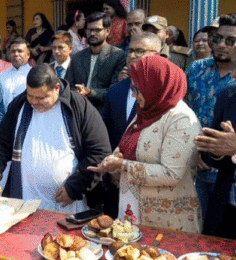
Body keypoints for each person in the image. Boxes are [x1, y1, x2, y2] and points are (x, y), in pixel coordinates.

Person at [89, 55, 202, 233]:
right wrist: (112, 162)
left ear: (156, 86)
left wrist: (123, 165)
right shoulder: (149, 110)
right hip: (133, 209)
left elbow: (171, 173)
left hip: (166, 221)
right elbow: (128, 145)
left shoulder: (181, 119)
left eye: (138, 89)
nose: (133, 95)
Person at [0, 64, 112, 213]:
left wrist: (74, 188)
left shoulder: (78, 107)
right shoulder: (19, 105)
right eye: (30, 96)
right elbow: (2, 144)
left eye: (41, 97)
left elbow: (100, 153)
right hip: (24, 199)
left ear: (56, 88)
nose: (34, 102)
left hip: (67, 204)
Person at [185, 13, 236, 220]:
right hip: (196, 165)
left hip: (229, 176)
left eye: (230, 40)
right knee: (200, 231)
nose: (222, 45)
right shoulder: (196, 69)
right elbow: (182, 110)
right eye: (217, 38)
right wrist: (194, 151)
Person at [194, 47, 236, 240]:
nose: (233, 73)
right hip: (226, 202)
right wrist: (217, 150)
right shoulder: (227, 95)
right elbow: (212, 152)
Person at [102, 32, 161, 151]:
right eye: (130, 51)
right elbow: (104, 129)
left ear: (157, 56)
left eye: (139, 51)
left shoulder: (163, 93)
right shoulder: (116, 90)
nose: (132, 56)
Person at [65, 11, 125, 111]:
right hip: (78, 110)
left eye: (97, 30)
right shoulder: (76, 58)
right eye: (89, 30)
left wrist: (90, 92)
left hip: (104, 112)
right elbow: (68, 86)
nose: (92, 33)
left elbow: (116, 91)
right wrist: (77, 93)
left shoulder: (117, 56)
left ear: (108, 31)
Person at [0, 37, 32, 110]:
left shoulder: (34, 75)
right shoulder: (1, 76)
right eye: (13, 51)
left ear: (28, 54)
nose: (16, 54)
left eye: (20, 51)